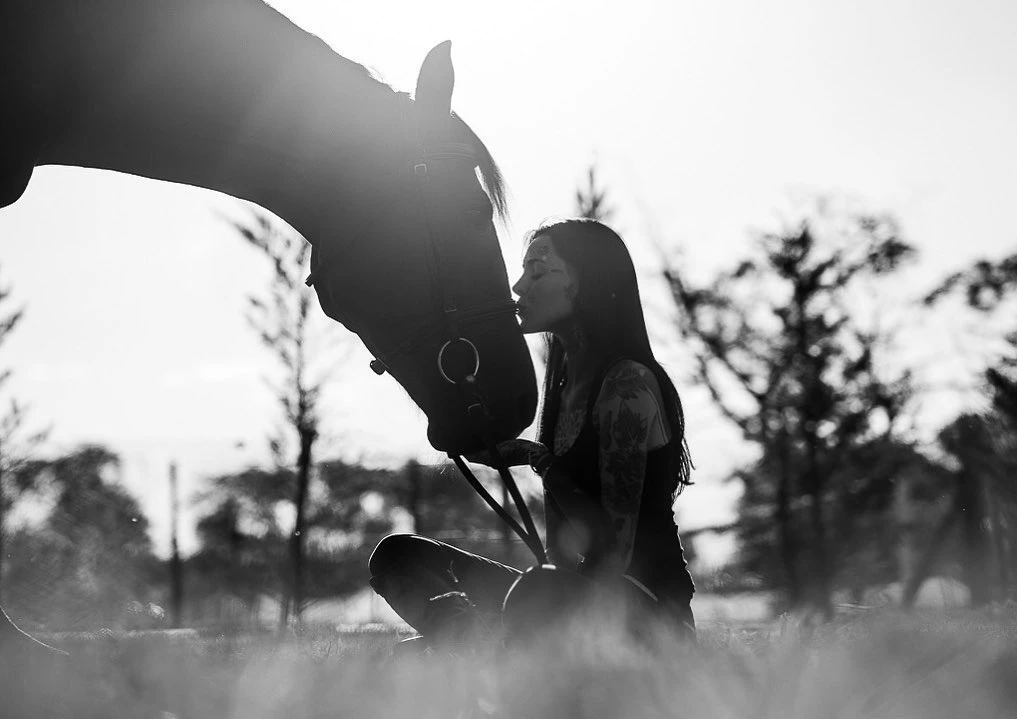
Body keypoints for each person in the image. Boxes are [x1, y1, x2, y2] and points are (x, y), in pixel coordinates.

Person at [368, 218, 695, 646]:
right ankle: (484, 652)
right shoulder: (562, 387)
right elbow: (562, 554)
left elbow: (616, 551)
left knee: (536, 587)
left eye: (537, 272)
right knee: (398, 555)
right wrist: (521, 453)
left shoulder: (626, 384)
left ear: (585, 281)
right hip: (572, 597)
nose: (519, 287)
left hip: (642, 610)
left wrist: (543, 464)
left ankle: (477, 653)